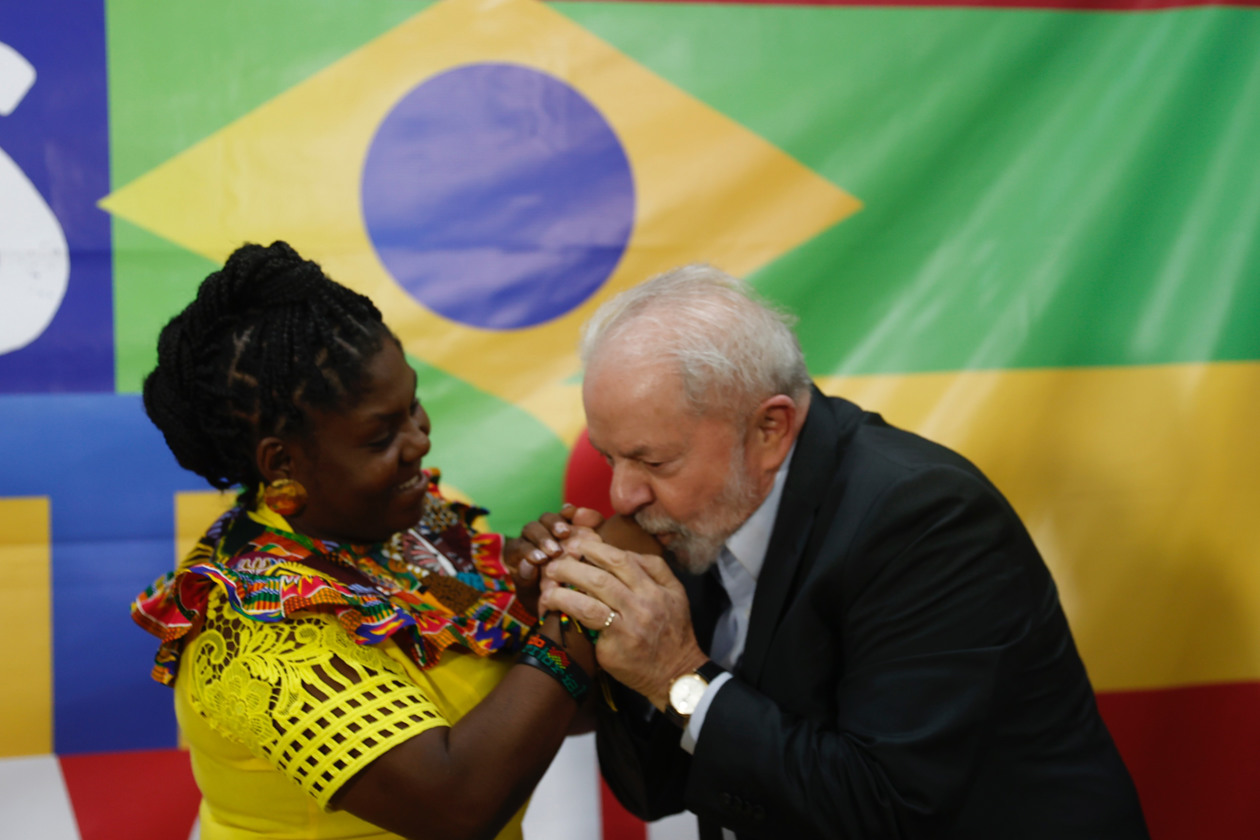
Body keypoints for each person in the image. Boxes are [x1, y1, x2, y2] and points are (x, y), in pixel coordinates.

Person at [535, 265, 1150, 839]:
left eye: (652, 460)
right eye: (610, 456)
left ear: (770, 430)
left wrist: (674, 676)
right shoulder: (694, 514)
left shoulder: (923, 520)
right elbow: (658, 790)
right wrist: (612, 634)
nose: (623, 493)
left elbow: (886, 808)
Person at [131, 241, 597, 840]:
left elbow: (551, 707)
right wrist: (579, 612)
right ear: (282, 463)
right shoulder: (257, 626)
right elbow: (455, 805)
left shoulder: (410, 531)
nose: (419, 442)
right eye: (381, 435)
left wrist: (538, 604)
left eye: (414, 406)